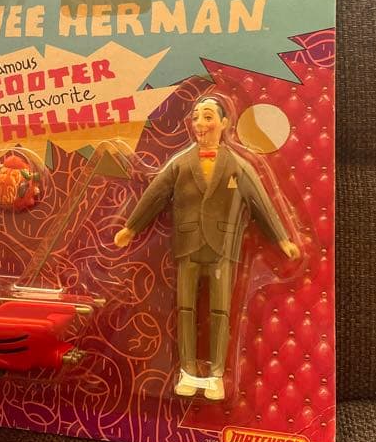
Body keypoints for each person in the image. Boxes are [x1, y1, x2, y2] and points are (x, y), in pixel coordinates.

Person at [113, 96, 300, 401]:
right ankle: (187, 372)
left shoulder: (237, 166)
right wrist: (131, 228)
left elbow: (261, 203)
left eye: (208, 116)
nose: (200, 123)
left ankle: (215, 376)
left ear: (224, 123)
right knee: (185, 310)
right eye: (196, 117)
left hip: (222, 248)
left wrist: (282, 240)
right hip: (187, 246)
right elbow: (154, 194)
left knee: (220, 312)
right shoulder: (180, 164)